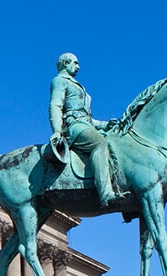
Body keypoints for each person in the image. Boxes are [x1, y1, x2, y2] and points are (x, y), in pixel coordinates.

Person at [48, 52, 124, 207]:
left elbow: (88, 119)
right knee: (99, 143)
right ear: (64, 64)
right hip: (73, 127)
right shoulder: (60, 81)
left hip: (84, 125)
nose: (78, 67)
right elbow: (55, 105)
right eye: (75, 63)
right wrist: (56, 130)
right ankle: (105, 193)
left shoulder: (76, 85)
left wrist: (105, 125)